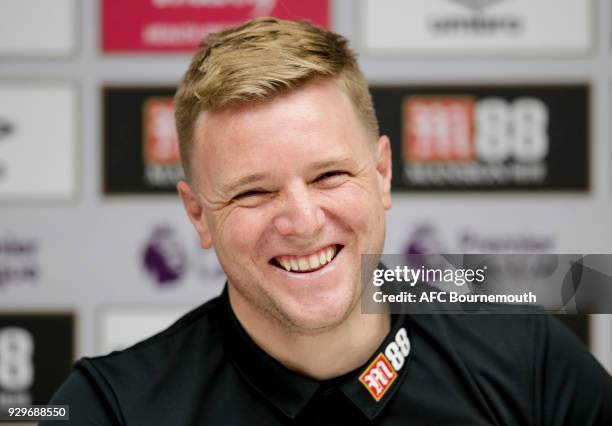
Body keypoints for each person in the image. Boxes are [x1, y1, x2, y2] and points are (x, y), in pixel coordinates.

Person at [44, 18, 611, 425]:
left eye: (329, 176)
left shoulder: (525, 356)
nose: (302, 220)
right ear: (198, 214)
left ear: (383, 174)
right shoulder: (108, 407)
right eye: (254, 191)